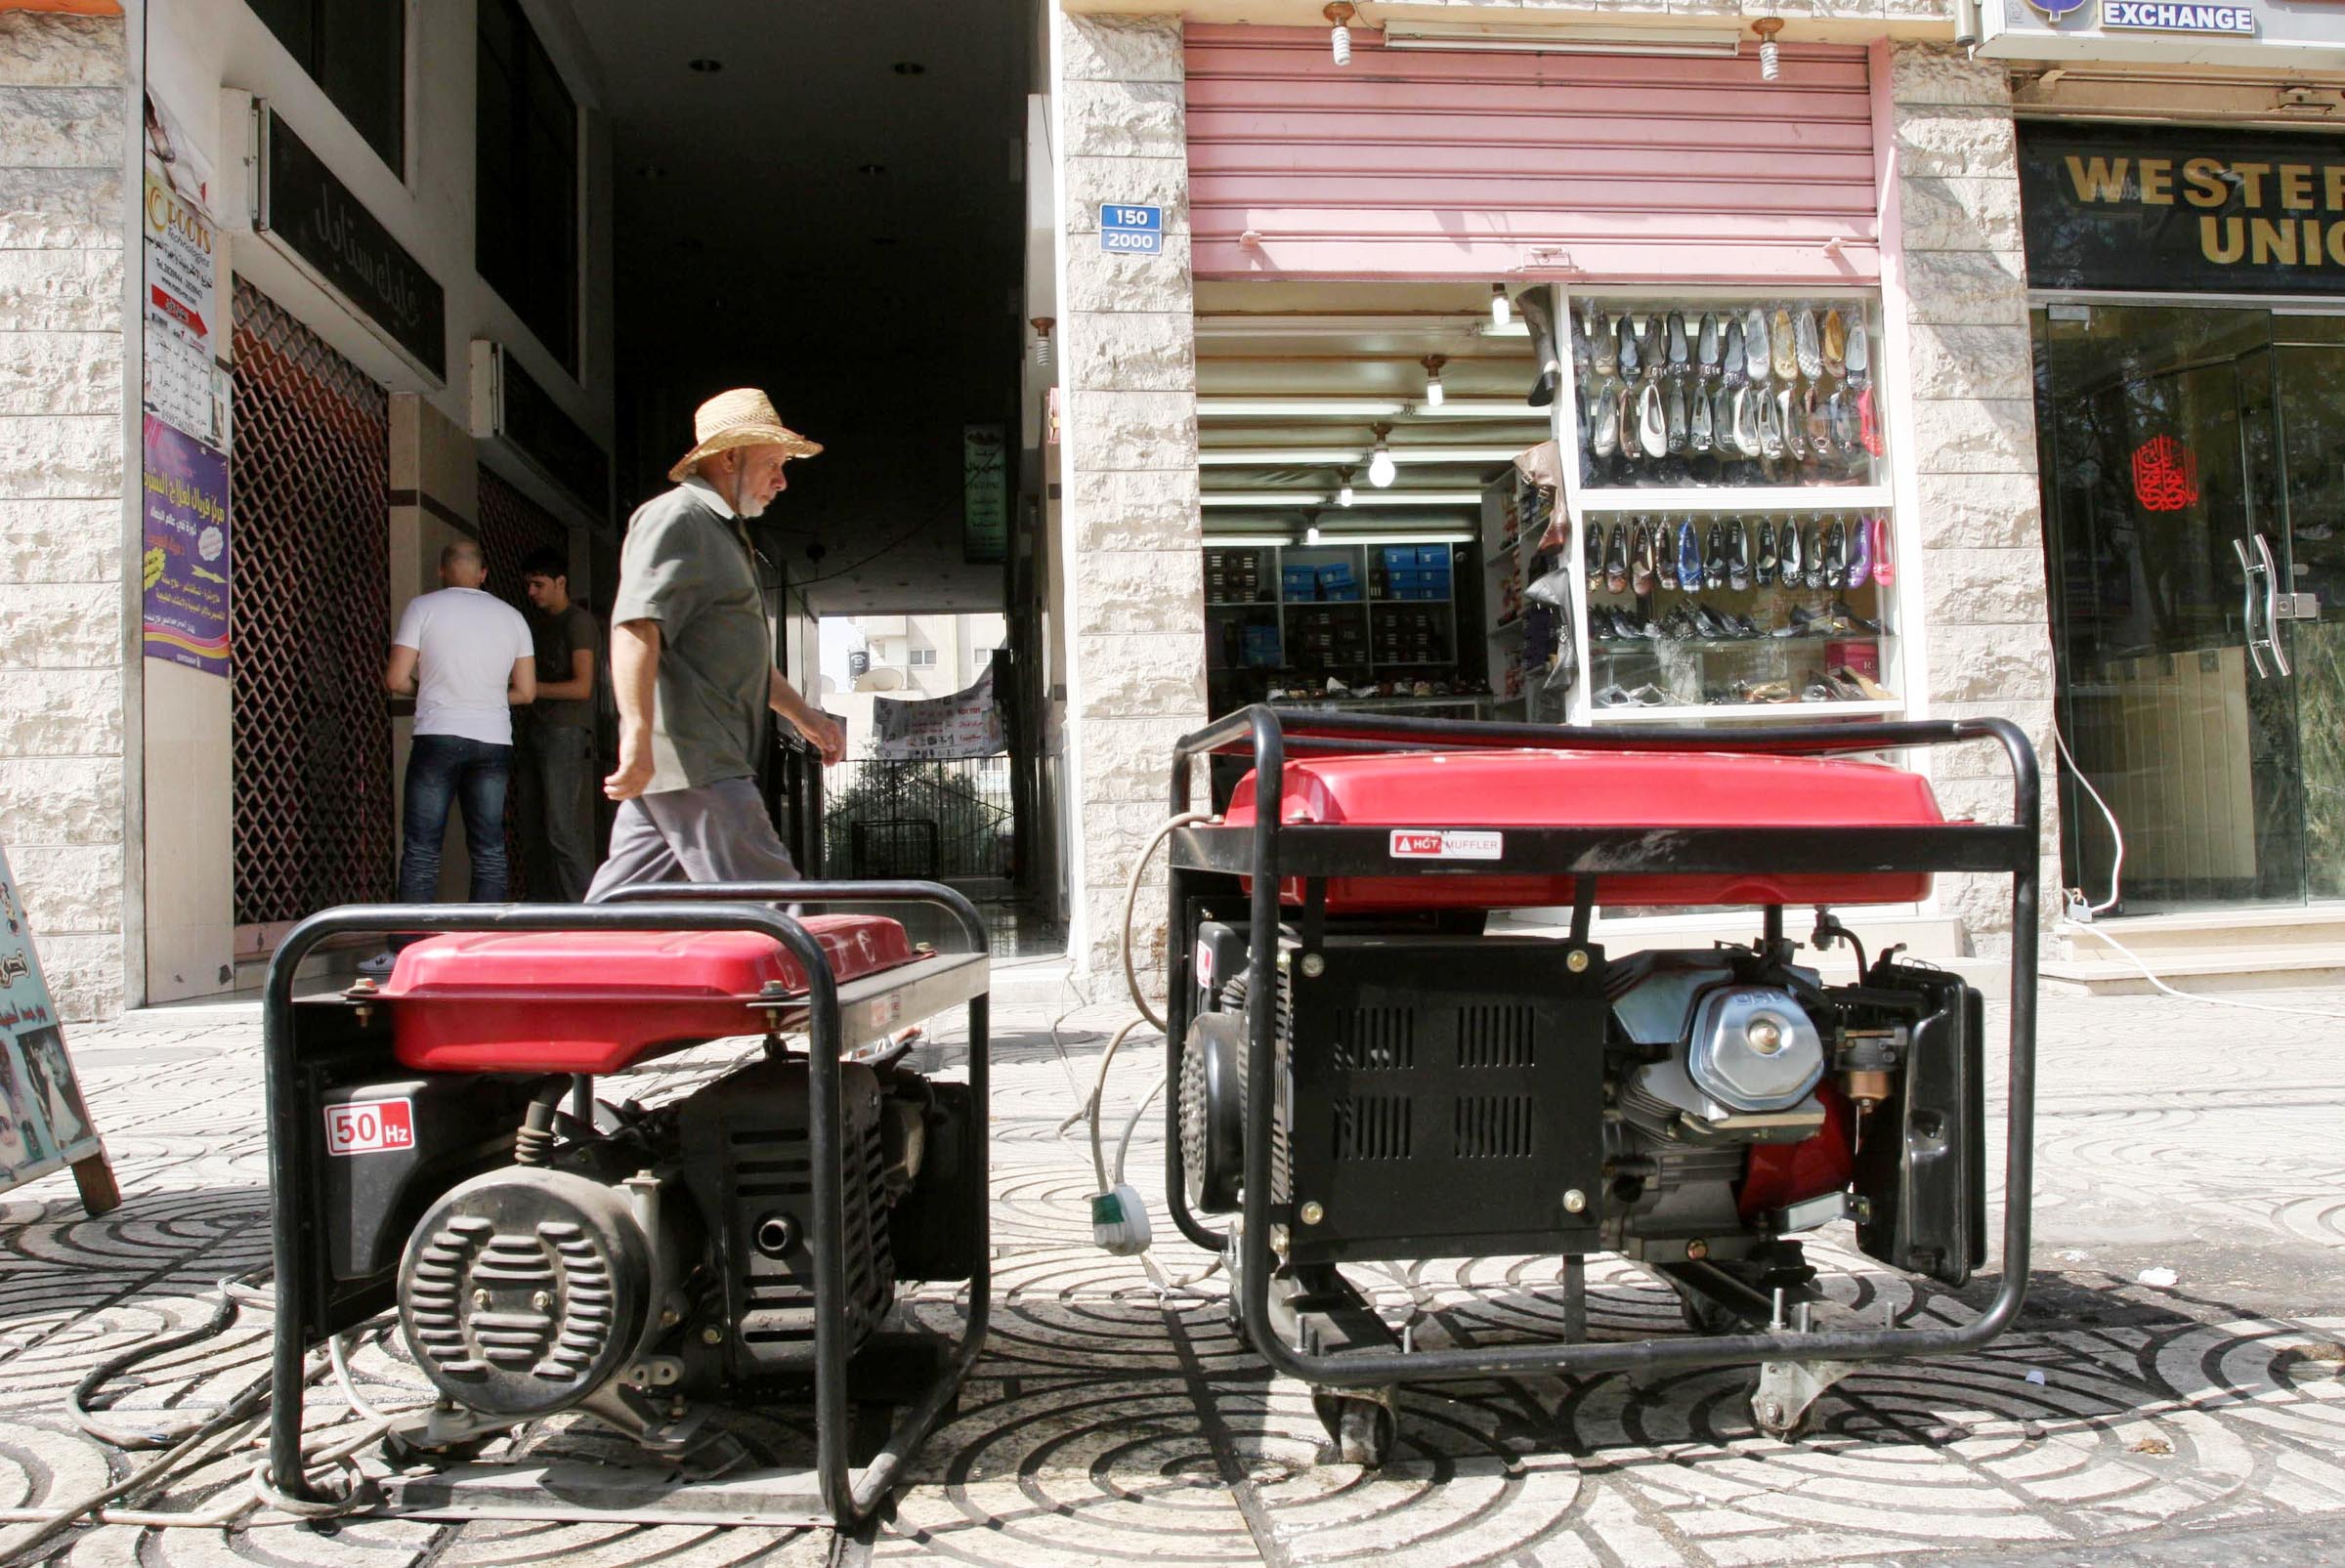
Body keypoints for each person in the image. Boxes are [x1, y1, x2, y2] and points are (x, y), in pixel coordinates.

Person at [585, 388, 844, 900]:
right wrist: (636, 735)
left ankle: (566, 959)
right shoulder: (678, 518)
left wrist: (804, 717)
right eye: (772, 463)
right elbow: (636, 626)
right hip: (696, 758)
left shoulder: (724, 533)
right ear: (729, 458)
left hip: (689, 765)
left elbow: (742, 657)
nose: (782, 480)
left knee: (620, 914)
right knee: (772, 911)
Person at [383, 539, 536, 917]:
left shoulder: (422, 607)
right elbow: (526, 692)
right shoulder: (513, 617)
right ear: (483, 574)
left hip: (438, 735)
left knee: (422, 848)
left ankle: (409, 939)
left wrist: (431, 690)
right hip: (494, 740)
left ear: (442, 571)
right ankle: (486, 939)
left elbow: (395, 679)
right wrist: (484, 695)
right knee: (489, 849)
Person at [518, 546, 601, 901]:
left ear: (560, 582)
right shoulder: (541, 623)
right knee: (533, 827)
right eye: (529, 584)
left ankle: (588, 910)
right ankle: (546, 909)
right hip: (537, 729)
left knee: (561, 829)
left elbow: (582, 687)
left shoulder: (578, 622)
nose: (531, 592)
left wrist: (530, 689)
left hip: (565, 731)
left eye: (538, 584)